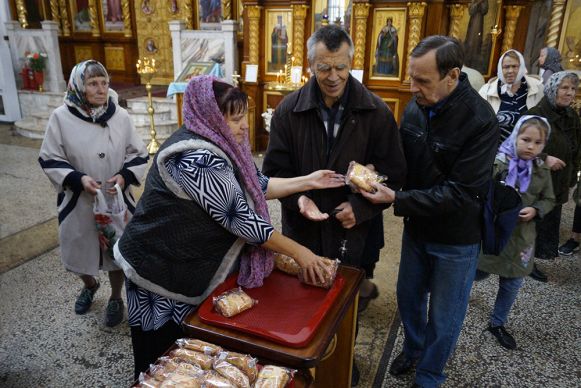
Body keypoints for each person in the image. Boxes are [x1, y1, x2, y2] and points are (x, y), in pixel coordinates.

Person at [113, 75, 346, 378]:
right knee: (161, 361)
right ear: (212, 118)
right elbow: (241, 219)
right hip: (157, 268)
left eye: (244, 117)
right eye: (235, 119)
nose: (244, 126)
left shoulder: (218, 144)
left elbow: (256, 185)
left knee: (189, 356)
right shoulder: (195, 158)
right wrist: (302, 253)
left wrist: (309, 180)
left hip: (183, 259)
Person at [262, 25, 407, 385]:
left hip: (356, 233)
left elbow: (393, 173)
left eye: (340, 67)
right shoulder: (288, 111)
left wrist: (361, 210)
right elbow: (274, 172)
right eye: (324, 67)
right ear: (310, 64)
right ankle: (304, 362)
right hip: (304, 229)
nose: (333, 77)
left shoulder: (375, 111)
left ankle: (341, 359)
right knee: (303, 301)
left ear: (351, 62)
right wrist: (300, 198)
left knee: (347, 306)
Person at [361, 35, 498, 387]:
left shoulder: (481, 121)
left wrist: (397, 199)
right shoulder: (416, 106)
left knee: (444, 314)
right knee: (408, 297)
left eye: (423, 80)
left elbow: (462, 193)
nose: (412, 88)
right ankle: (413, 348)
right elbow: (402, 158)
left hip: (456, 238)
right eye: (411, 77)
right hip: (418, 229)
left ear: (452, 75)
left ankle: (430, 372)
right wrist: (374, 174)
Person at [38, 60, 149, 327]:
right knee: (78, 254)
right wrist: (78, 179)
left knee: (115, 253)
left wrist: (124, 177)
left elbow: (139, 153)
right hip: (79, 200)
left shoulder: (120, 116)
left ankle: (114, 298)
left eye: (104, 83)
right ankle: (89, 284)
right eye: (92, 83)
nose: (100, 89)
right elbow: (49, 157)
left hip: (114, 199)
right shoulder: (61, 118)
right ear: (79, 86)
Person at [476, 115, 554, 350]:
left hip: (521, 238)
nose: (531, 146)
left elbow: (549, 198)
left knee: (512, 282)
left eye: (538, 142)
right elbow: (483, 193)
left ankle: (497, 323)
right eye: (526, 139)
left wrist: (535, 209)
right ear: (515, 136)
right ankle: (452, 299)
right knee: (476, 272)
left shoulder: (541, 170)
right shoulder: (499, 163)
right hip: (494, 233)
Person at [527, 71, 581, 278]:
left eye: (573, 89)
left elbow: (577, 146)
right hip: (537, 182)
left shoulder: (572, 116)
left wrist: (572, 174)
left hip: (559, 182)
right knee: (533, 224)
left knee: (548, 222)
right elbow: (518, 148)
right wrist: (544, 158)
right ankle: (525, 263)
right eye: (564, 88)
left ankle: (534, 258)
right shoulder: (537, 114)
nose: (570, 93)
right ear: (552, 89)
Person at [479, 49, 544, 142]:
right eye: (506, 67)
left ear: (521, 67)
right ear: (500, 69)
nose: (510, 71)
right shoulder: (486, 91)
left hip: (527, 150)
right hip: (494, 149)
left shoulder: (537, 88)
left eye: (514, 66)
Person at [464, 0, 489, 72]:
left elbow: (485, 10)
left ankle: (474, 64)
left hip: (480, 22)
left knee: (477, 43)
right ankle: (467, 62)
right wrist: (478, 2)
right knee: (470, 41)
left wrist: (482, 3)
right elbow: (471, 10)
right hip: (473, 23)